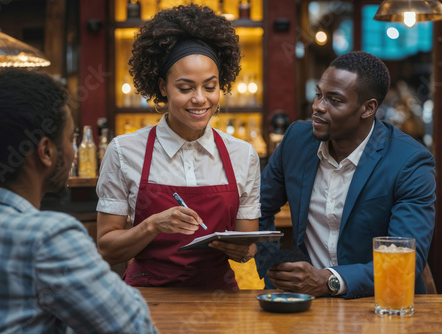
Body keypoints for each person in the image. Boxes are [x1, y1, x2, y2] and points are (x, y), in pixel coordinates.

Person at [0, 69, 156, 333]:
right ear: (45, 151)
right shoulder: (51, 237)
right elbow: (134, 327)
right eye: (70, 139)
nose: (74, 153)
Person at [96, 4, 261, 290]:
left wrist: (243, 250)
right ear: (162, 87)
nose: (200, 99)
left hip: (218, 302)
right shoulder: (124, 151)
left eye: (210, 87)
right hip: (147, 299)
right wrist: (152, 225)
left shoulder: (242, 155)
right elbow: (107, 249)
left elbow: (247, 249)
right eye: (185, 88)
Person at [255, 51, 435, 299]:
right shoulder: (296, 140)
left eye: (334, 100)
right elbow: (257, 207)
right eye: (319, 94)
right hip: (306, 305)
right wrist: (271, 265)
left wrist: (329, 280)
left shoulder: (409, 161)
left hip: (381, 304)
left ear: (367, 108)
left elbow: (404, 261)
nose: (318, 107)